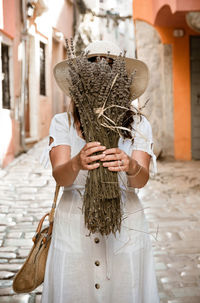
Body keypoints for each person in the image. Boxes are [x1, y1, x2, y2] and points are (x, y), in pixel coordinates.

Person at [41, 41, 160, 303]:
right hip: (74, 227)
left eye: (109, 71)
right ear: (84, 80)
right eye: (94, 70)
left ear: (120, 82)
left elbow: (140, 181)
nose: (102, 77)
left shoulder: (139, 124)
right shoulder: (63, 123)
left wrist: (130, 165)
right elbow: (60, 177)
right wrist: (76, 163)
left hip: (125, 228)